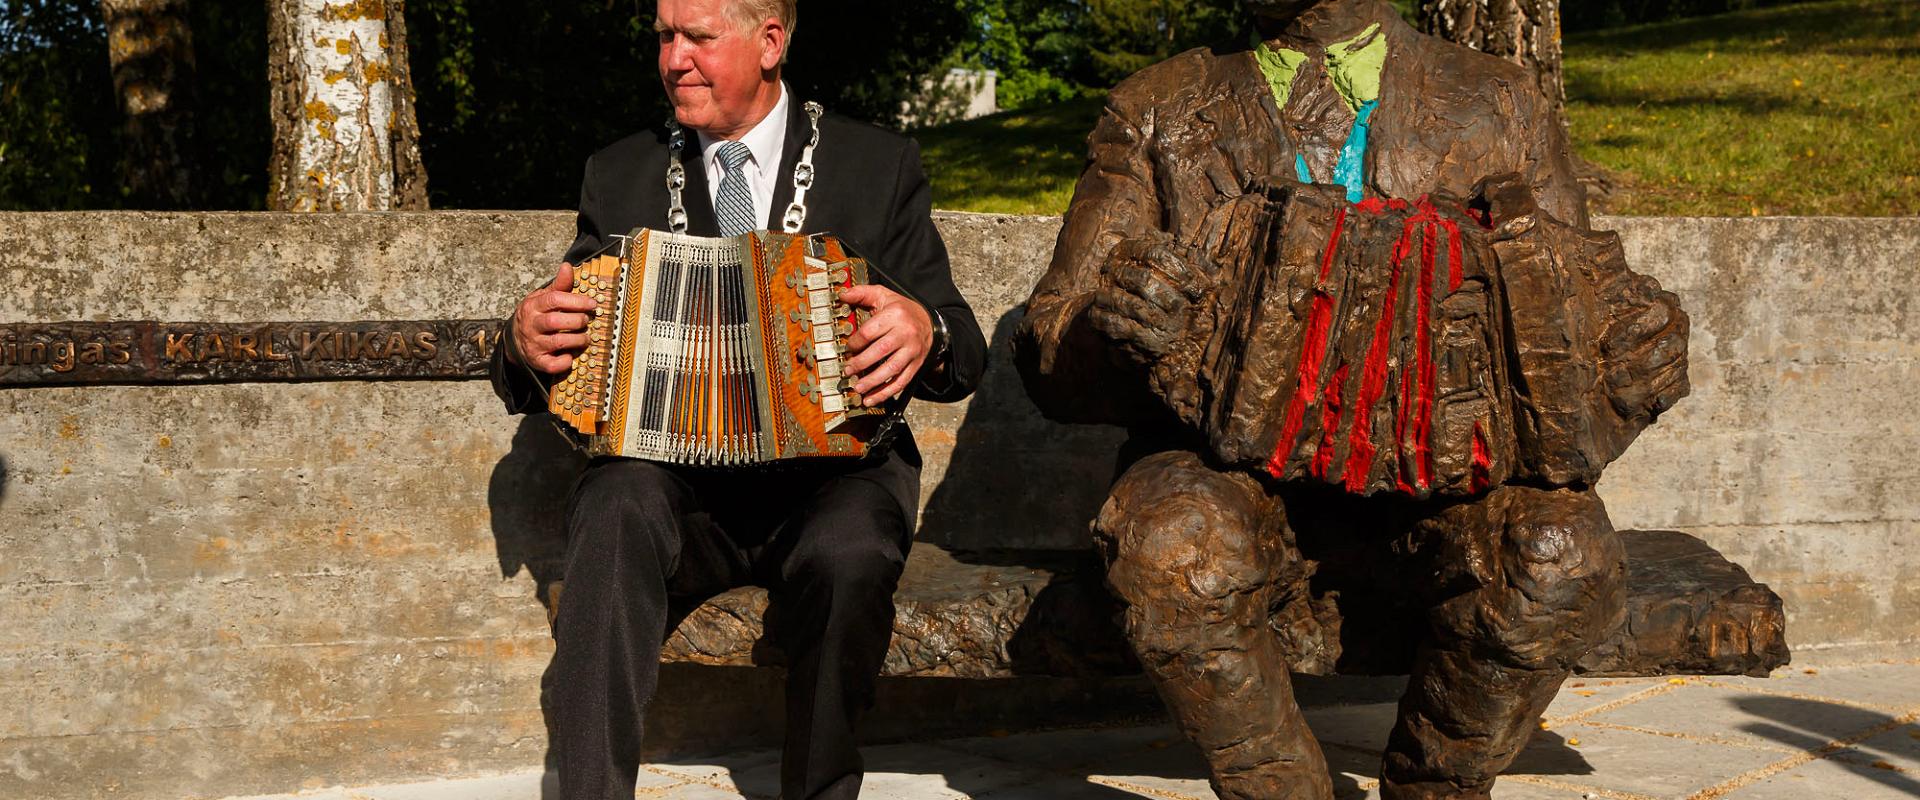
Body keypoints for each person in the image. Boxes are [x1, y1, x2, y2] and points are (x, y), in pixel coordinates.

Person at [1014, 0, 1688, 798]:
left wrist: (1634, 350)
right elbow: (1050, 345)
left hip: (1449, 477)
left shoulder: (1499, 96)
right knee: (1173, 548)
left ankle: (1436, 784)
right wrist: (1112, 327)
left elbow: (1574, 308)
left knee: (1561, 557)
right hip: (1225, 470)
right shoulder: (1158, 106)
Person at [488, 1, 986, 797]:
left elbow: (964, 345)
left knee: (849, 553)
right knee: (612, 507)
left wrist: (925, 328)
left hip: (836, 477)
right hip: (674, 484)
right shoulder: (619, 172)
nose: (672, 59)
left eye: (697, 38)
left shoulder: (875, 164)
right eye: (663, 37)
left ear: (769, 43)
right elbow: (562, 329)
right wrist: (520, 341)